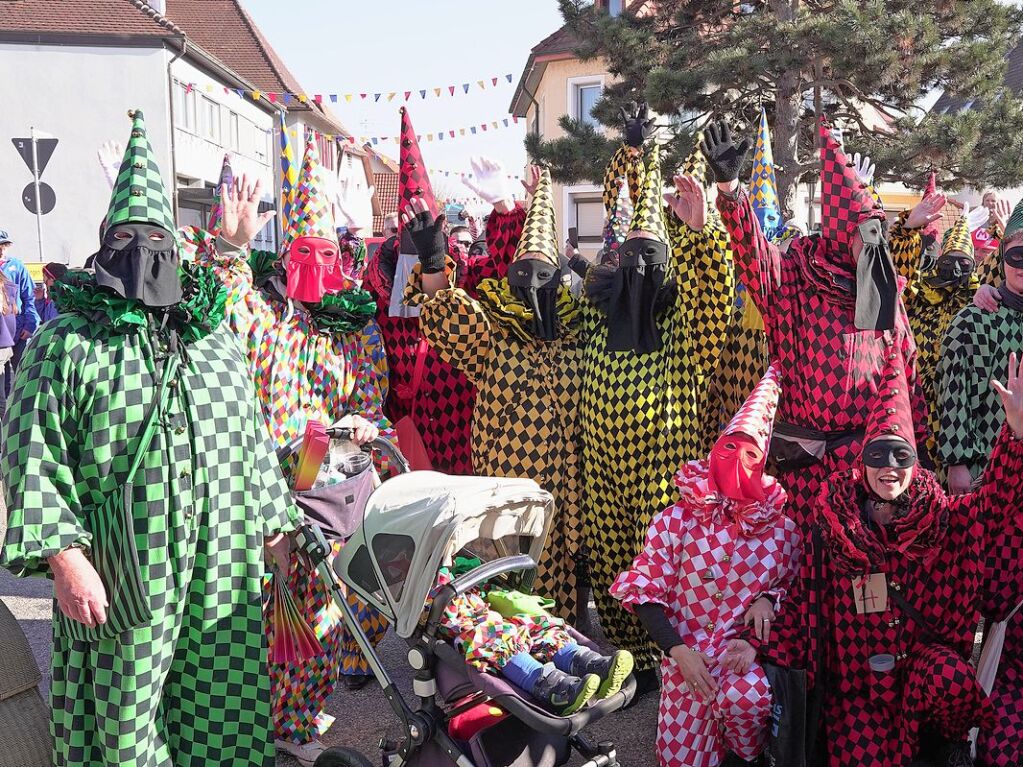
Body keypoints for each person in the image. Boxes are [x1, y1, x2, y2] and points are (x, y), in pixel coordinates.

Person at [0, 108, 297, 767]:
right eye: (128, 234)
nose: (143, 248)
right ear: (105, 240)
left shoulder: (210, 336)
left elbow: (250, 433)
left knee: (220, 703)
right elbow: (30, 451)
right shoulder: (65, 342)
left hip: (222, 566)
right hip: (124, 569)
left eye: (155, 234)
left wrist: (275, 525)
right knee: (126, 718)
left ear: (175, 241)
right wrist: (65, 557)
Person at [195, 131, 393, 766]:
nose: (318, 261)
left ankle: (300, 708)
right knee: (274, 611)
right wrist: (233, 243)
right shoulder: (266, 320)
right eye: (305, 249)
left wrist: (362, 421)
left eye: (328, 250)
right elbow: (224, 303)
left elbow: (371, 400)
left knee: (334, 609)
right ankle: (282, 721)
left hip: (334, 489)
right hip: (271, 492)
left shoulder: (356, 330)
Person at [771, 344, 1023, 767]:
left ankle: (950, 743)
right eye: (877, 454)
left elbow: (993, 504)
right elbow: (803, 604)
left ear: (915, 461)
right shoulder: (832, 526)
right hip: (859, 688)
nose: (889, 466)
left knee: (951, 679)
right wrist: (753, 648)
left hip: (922, 674)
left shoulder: (941, 516)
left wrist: (1015, 435)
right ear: (861, 460)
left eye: (900, 454)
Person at [707, 116, 928, 534]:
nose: (875, 241)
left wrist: (917, 454)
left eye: (879, 230)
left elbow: (907, 370)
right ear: (843, 229)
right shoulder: (796, 279)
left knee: (858, 575)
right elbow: (754, 258)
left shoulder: (882, 288)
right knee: (806, 574)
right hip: (805, 467)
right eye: (867, 231)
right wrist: (731, 192)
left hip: (866, 469)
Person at [580, 103, 735, 689]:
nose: (640, 269)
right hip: (601, 476)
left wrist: (700, 231)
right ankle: (629, 660)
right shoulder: (593, 321)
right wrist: (632, 151)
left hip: (663, 475)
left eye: (655, 258)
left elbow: (713, 288)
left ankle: (674, 654)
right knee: (613, 556)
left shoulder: (685, 329)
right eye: (631, 257)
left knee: (664, 567)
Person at [405, 164, 588, 623]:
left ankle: (565, 645)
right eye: (521, 274)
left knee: (563, 592)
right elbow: (451, 319)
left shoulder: (582, 333)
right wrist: (432, 265)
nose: (531, 285)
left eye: (542, 274)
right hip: (508, 492)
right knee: (510, 589)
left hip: (569, 495)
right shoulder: (495, 335)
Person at [613, 364, 801, 767]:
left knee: (746, 701)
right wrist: (678, 651)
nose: (737, 460)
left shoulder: (783, 531)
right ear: (714, 450)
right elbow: (644, 589)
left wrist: (763, 616)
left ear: (764, 463)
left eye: (751, 453)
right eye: (729, 448)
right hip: (686, 663)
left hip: (740, 663)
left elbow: (794, 591)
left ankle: (747, 754)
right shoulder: (675, 519)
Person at [363, 110, 514, 474]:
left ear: (443, 226)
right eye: (409, 228)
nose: (417, 236)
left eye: (426, 225)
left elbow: (510, 272)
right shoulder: (375, 289)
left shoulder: (469, 275)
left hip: (462, 436)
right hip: (405, 440)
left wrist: (504, 208)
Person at [433, 566, 633, 714]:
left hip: (489, 612)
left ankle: (589, 664)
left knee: (537, 625)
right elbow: (443, 611)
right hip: (466, 626)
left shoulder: (459, 564)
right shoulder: (421, 580)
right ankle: (554, 690)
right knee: (497, 640)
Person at [889, 191, 991, 469]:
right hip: (915, 413)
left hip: (964, 417)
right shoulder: (919, 297)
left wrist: (1002, 228)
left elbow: (1007, 273)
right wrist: (908, 228)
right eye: (949, 261)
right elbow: (898, 275)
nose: (955, 268)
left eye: (963, 262)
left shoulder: (980, 302)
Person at [938, 227, 1023, 493]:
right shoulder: (973, 320)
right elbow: (953, 393)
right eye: (1016, 256)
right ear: (1001, 258)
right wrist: (957, 463)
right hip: (987, 465)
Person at [0, 228, 41, 396]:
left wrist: (31, 324)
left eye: (4, 245)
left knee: (22, 373)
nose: (1, 249)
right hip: (1, 332)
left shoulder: (16, 266)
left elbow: (29, 296)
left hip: (18, 330)